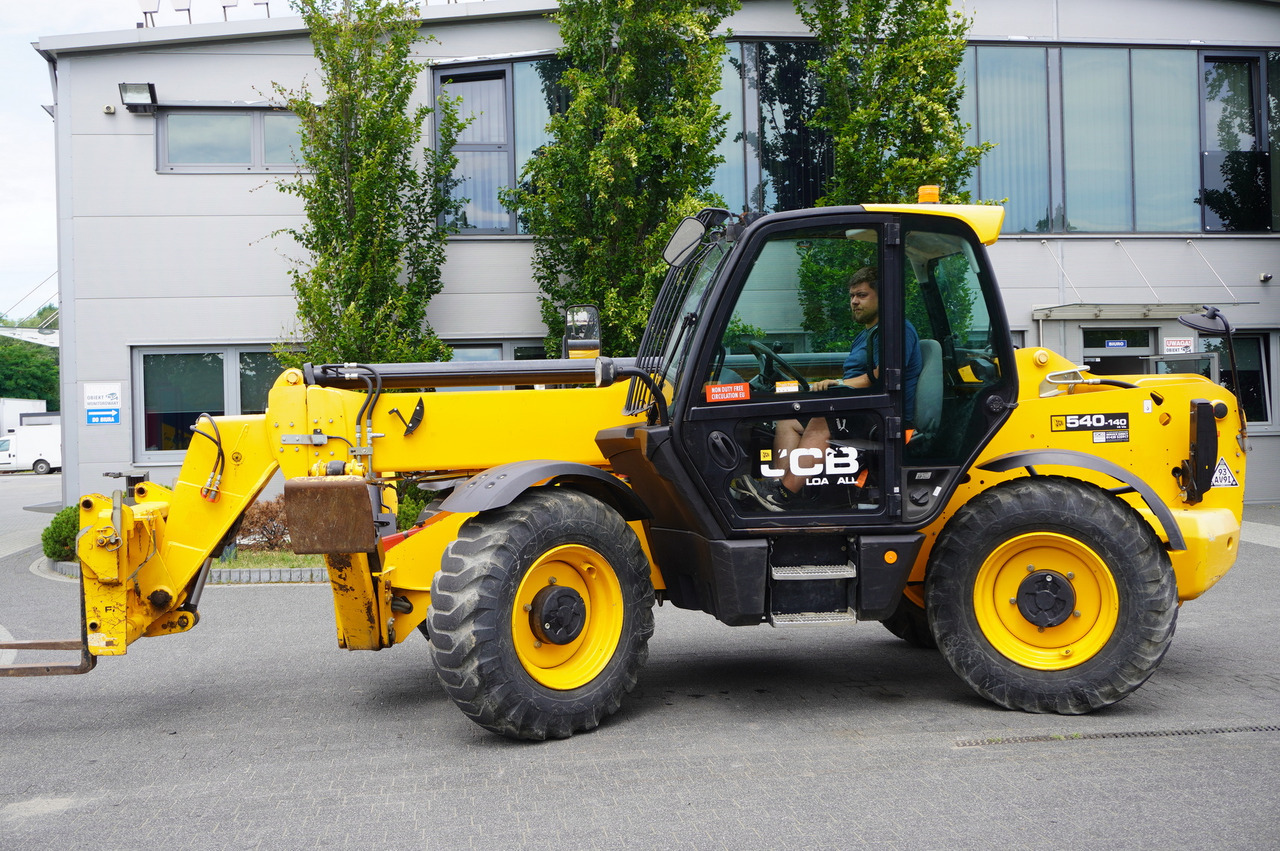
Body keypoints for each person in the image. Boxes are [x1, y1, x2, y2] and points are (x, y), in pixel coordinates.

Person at [734, 266, 921, 511]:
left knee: (823, 418)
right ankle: (780, 487)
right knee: (787, 419)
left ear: (883, 297)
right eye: (852, 296)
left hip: (885, 416)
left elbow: (880, 378)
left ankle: (783, 494)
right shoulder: (867, 334)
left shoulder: (896, 330)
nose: (854, 301)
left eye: (862, 295)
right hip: (863, 406)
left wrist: (838, 384)